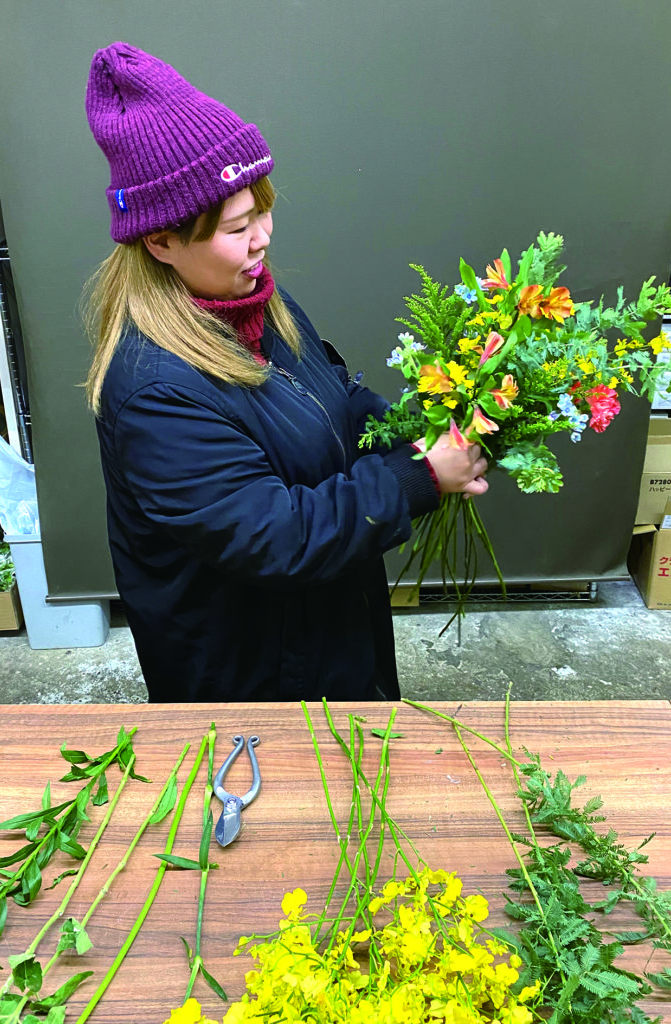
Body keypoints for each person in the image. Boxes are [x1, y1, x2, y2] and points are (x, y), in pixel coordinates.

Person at [84, 42, 488, 703]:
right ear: (160, 241)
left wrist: (413, 431)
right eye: (236, 226)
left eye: (263, 210)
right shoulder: (154, 390)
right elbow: (275, 535)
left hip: (325, 628)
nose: (263, 237)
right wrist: (418, 477)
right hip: (253, 674)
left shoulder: (256, 299)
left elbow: (334, 395)